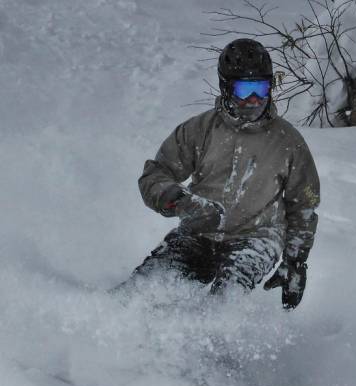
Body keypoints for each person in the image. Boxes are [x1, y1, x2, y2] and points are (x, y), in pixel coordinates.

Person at [121, 38, 320, 309]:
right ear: (226, 88)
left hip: (257, 238)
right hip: (197, 235)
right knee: (142, 292)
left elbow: (304, 206)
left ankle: (213, 347)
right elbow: (155, 174)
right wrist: (178, 200)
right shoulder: (200, 129)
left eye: (261, 89)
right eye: (244, 89)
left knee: (221, 306)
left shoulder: (287, 142)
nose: (254, 100)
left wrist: (295, 262)